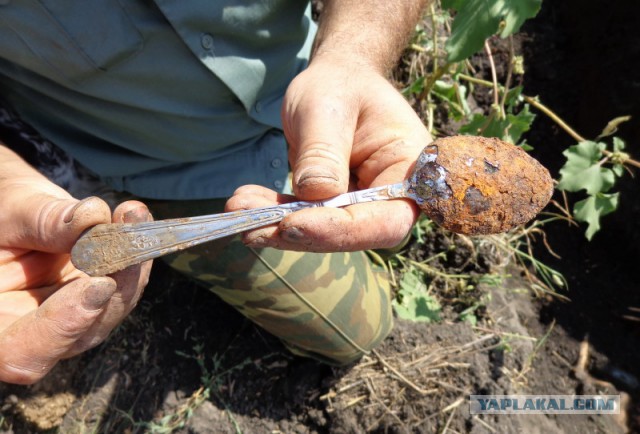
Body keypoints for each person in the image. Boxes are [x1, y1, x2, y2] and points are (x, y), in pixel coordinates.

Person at [0, 0, 431, 384]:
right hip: (158, 168)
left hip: (313, 88)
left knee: (392, 224)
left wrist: (352, 56)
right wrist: (8, 177)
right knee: (361, 329)